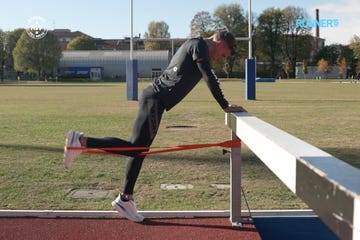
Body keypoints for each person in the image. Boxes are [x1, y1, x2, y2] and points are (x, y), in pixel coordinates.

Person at [63, 31, 246, 222]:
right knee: (136, 148)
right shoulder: (198, 46)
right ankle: (82, 141)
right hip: (155, 99)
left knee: (138, 149)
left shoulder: (196, 46)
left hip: (155, 100)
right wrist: (225, 105)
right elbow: (208, 75)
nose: (219, 58)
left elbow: (208, 74)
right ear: (218, 42)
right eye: (223, 54)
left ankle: (125, 198)